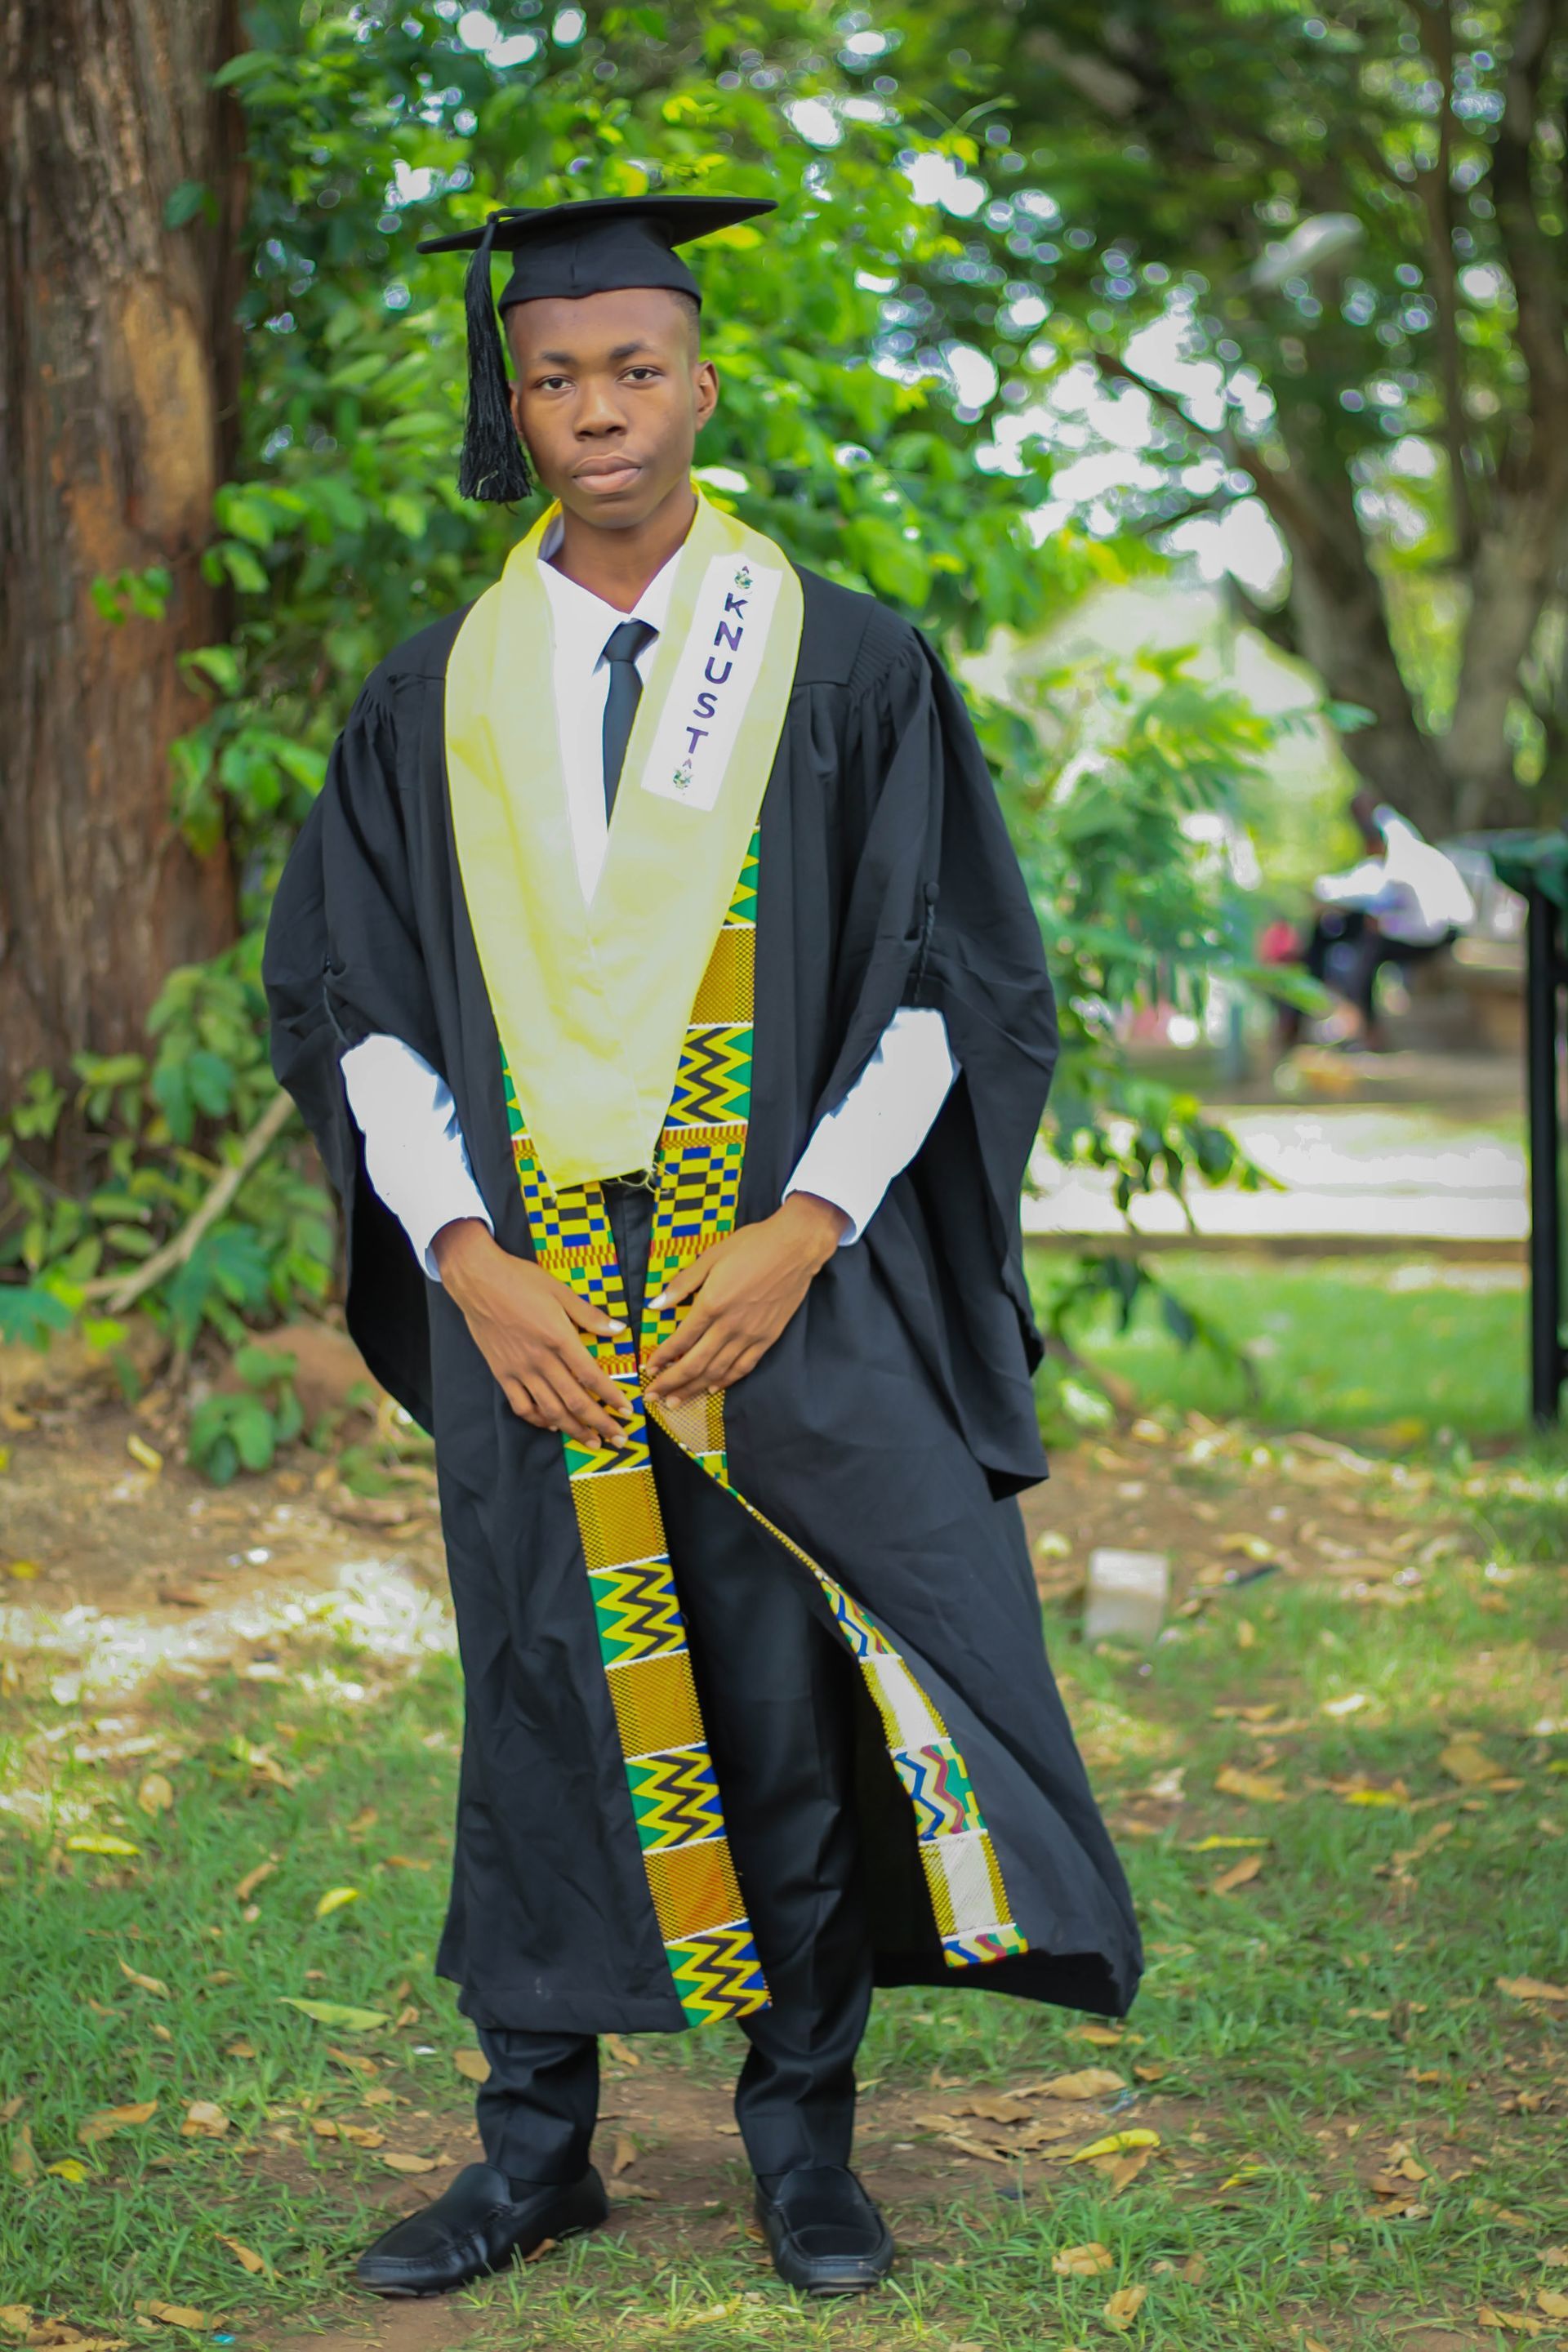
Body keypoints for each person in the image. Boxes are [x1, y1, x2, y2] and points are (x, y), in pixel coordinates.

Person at [264, 192, 1140, 2302]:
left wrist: (807, 1230)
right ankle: (534, 2145)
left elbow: (951, 981)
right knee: (542, 1683)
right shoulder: (432, 697)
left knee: (783, 1680)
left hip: (774, 1280)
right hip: (532, 1293)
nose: (597, 414)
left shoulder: (843, 666)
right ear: (516, 397)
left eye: (634, 369)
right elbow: (355, 1005)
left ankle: (801, 2143)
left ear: (700, 384)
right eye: (553, 376)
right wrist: (465, 1255)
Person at [1285, 791, 1476, 1049]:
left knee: (1370, 947)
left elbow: (1429, 926)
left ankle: (1369, 1032)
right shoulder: (1389, 860)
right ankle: (1300, 1018)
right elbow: (1360, 888)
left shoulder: (1409, 864)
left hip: (1439, 934)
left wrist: (1385, 925)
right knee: (1326, 930)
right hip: (1409, 926)